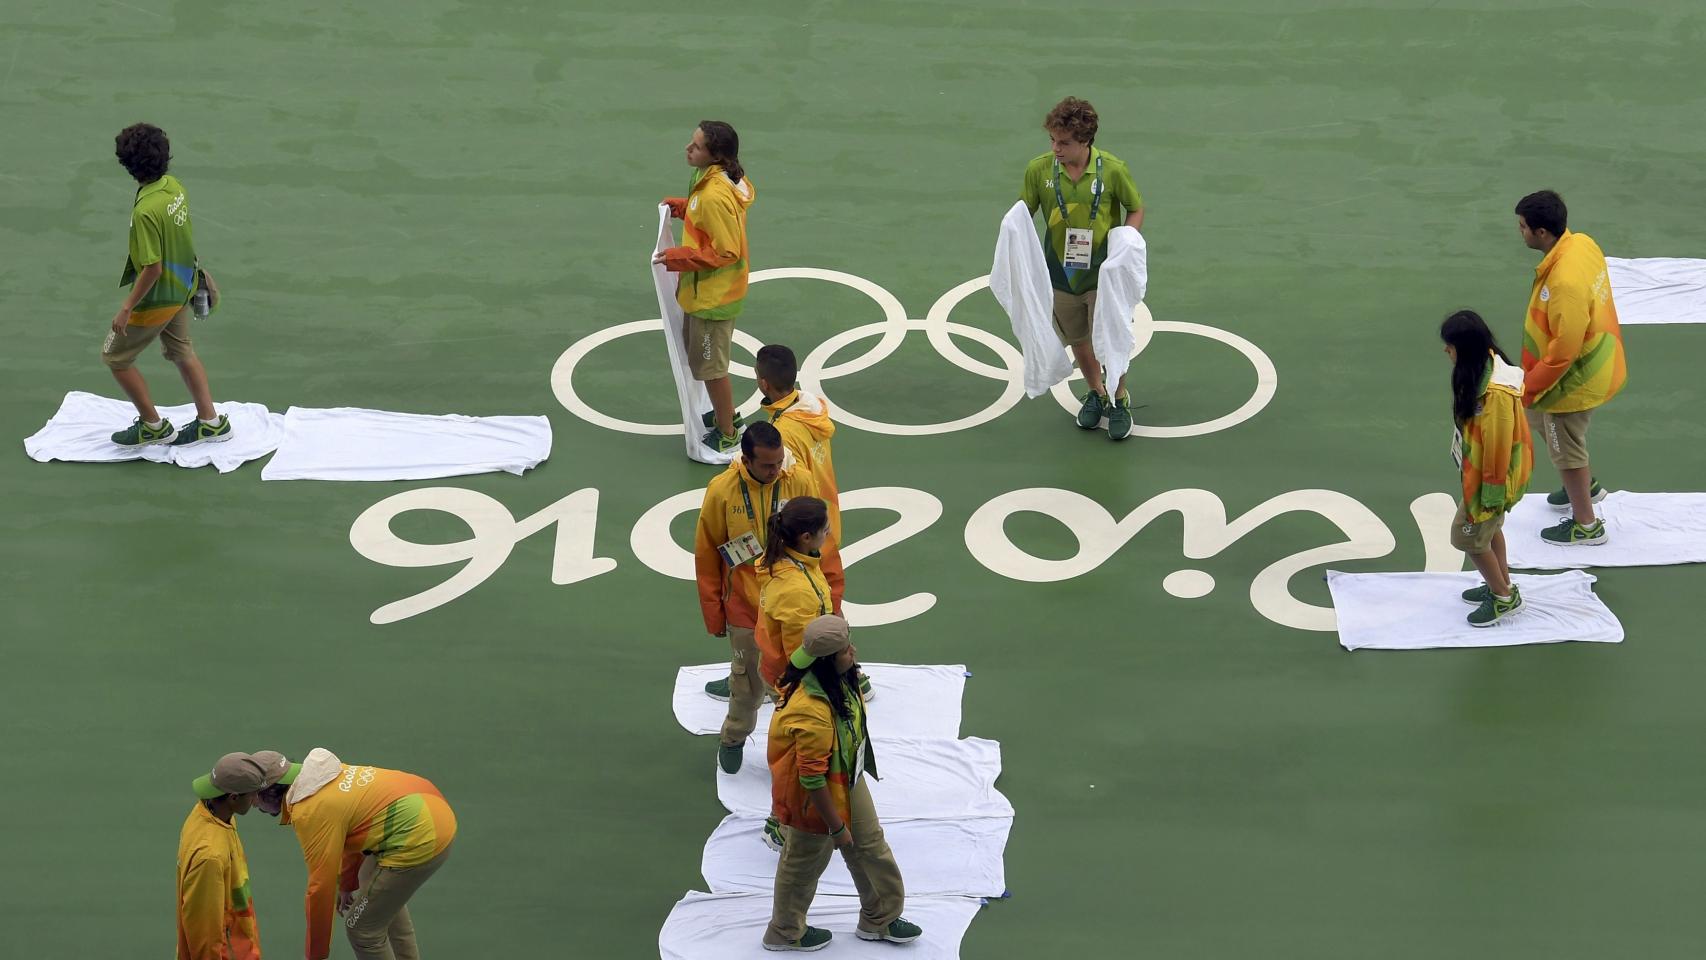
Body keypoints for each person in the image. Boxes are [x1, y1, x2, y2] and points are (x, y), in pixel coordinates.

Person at [763, 615, 920, 952]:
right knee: (804, 862)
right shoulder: (810, 711)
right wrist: (836, 828)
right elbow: (811, 778)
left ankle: (880, 917)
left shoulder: (837, 678)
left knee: (870, 844)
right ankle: (785, 931)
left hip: (846, 775)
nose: (853, 653)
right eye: (845, 651)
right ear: (825, 661)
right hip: (811, 796)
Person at [696, 422, 843, 779]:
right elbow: (707, 553)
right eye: (766, 465)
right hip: (746, 608)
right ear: (745, 459)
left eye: (779, 462)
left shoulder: (799, 480)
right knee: (746, 686)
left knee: (799, 688)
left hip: (795, 607)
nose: (776, 470)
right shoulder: (722, 491)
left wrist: (833, 605)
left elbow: (825, 544)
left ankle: (798, 756)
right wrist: (715, 614)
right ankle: (733, 738)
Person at [251, 748, 455, 960]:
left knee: (362, 929)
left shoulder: (310, 809)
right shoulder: (322, 775)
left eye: (254, 797)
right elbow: (354, 830)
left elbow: (321, 887)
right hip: (429, 807)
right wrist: (348, 884)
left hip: (420, 837)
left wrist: (315, 954)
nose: (253, 804)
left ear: (271, 791)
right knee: (370, 881)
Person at [1020, 97, 1145, 440]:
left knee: (1111, 340)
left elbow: (1135, 208)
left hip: (1103, 276)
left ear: (1085, 141)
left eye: (1064, 143)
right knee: (1079, 341)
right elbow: (1022, 216)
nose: (1055, 148)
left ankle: (1120, 399)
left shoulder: (1113, 170)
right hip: (1060, 275)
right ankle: (1097, 393)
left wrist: (1126, 246)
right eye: (1052, 140)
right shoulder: (1039, 170)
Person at [103, 123, 231, 447]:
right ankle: (210, 422)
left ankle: (153, 425)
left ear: (128, 165)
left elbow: (152, 268)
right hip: (182, 287)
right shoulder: (174, 187)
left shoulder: (145, 211)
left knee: (116, 358)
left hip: (158, 299)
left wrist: (126, 307)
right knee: (181, 351)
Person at [1514, 189, 1628, 545]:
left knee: (1565, 447)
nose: (1521, 232)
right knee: (1537, 421)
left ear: (1541, 233)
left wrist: (1528, 386)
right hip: (1596, 362)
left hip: (1573, 381)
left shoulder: (1563, 282)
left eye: (1523, 227)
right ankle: (1582, 486)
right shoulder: (1581, 243)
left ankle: (1586, 524)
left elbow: (1564, 352)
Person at [657, 120, 756, 454]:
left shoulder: (714, 193)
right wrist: (684, 209)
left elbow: (726, 250)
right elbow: (705, 221)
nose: (688, 148)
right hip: (703, 292)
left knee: (712, 370)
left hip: (714, 297)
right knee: (703, 362)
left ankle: (728, 431)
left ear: (715, 156)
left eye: (696, 146)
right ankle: (725, 414)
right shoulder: (706, 178)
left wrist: (678, 257)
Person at [1441, 311, 1533, 627]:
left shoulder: (1494, 394)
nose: (1446, 351)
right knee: (1492, 530)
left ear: (1463, 348)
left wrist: (1492, 496)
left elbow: (1496, 449)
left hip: (1491, 480)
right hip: (1483, 473)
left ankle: (1504, 598)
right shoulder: (1485, 368)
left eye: (1449, 346)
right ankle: (1502, 583)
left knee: (1466, 538)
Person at [179, 751, 291, 960]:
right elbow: (204, 933)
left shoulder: (212, 813)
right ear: (233, 797)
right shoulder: (209, 856)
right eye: (253, 794)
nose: (257, 800)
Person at [755, 344, 842, 546]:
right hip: (828, 521)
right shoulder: (811, 409)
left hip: (808, 534)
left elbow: (788, 487)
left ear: (764, 384)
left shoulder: (781, 434)